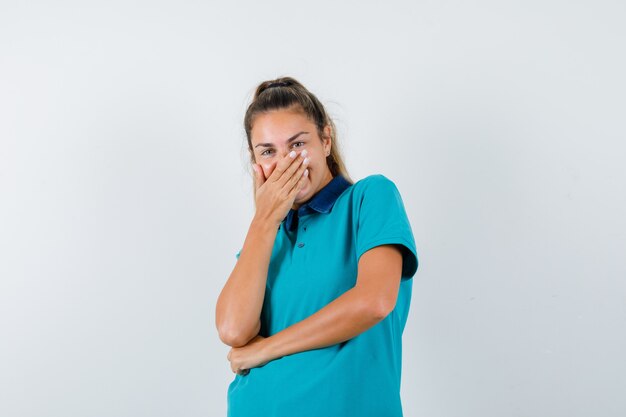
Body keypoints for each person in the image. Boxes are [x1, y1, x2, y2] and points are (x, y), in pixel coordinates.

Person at [215, 77, 419, 417]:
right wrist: (264, 221)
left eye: (297, 145)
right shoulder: (264, 239)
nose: (285, 164)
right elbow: (233, 330)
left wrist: (264, 351)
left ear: (325, 140)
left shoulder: (369, 198)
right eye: (268, 152)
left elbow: (374, 302)